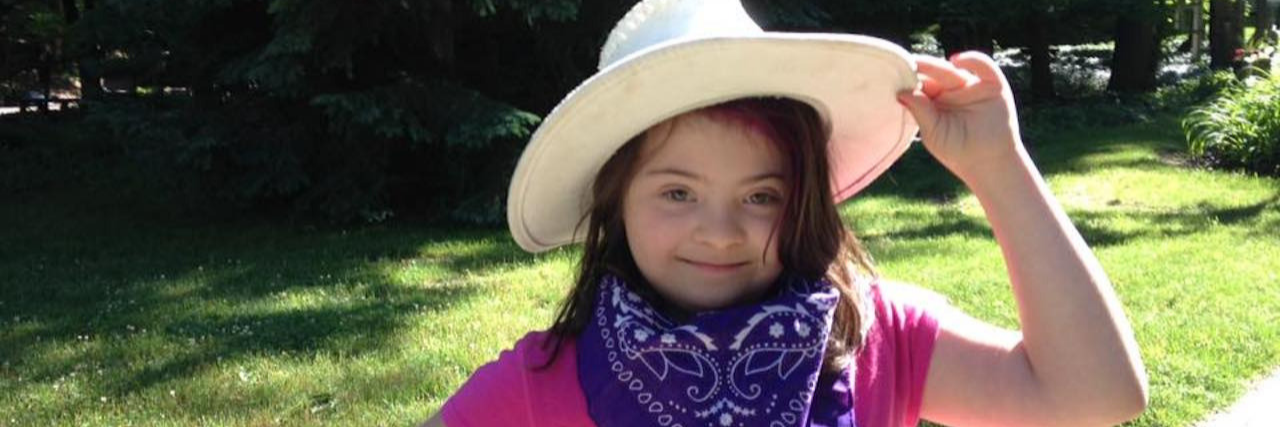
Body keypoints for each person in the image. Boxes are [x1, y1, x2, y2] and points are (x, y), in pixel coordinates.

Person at [423, 0, 1148, 425]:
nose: (720, 229)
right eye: (677, 192)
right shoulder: (537, 386)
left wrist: (999, 166)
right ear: (615, 199)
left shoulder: (876, 336)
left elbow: (1095, 394)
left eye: (762, 195)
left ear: (802, 200)